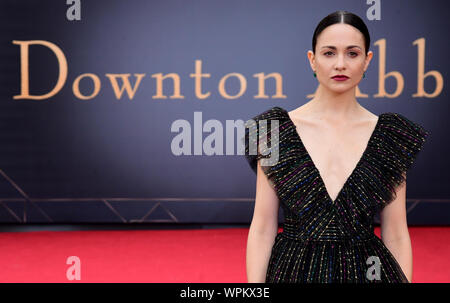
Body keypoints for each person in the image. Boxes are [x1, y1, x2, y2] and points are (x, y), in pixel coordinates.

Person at [244, 10, 430, 283]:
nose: (340, 64)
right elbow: (262, 227)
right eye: (329, 53)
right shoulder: (274, 131)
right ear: (312, 60)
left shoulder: (390, 137)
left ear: (368, 61)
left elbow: (396, 233)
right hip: (292, 272)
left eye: (352, 53)